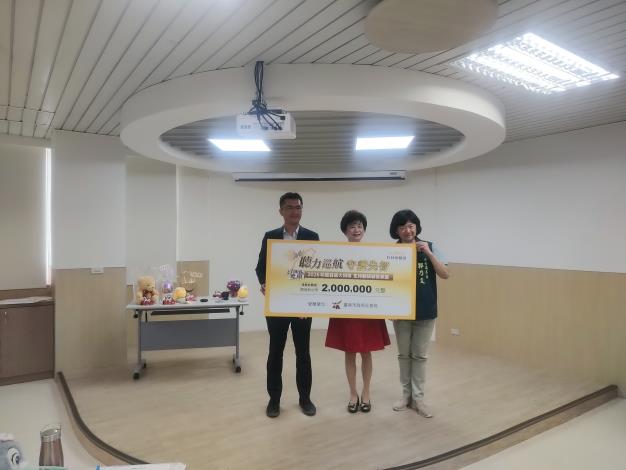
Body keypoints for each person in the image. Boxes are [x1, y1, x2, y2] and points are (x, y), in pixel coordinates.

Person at [255, 192, 319, 418]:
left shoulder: (312, 237)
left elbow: (317, 269)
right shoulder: (270, 236)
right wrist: (264, 283)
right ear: (281, 211)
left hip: (302, 306)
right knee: (275, 352)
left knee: (303, 353)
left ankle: (305, 399)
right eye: (290, 207)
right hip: (278, 304)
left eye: (298, 207)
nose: (295, 212)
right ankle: (274, 400)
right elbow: (260, 267)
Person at [325, 210, 390, 413]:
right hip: (346, 308)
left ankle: (366, 392)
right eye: (352, 226)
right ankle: (353, 393)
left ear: (364, 229)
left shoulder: (374, 253)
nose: (356, 230)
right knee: (350, 351)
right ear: (345, 231)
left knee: (366, 351)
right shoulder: (336, 254)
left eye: (360, 226)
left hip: (367, 308)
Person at [389, 209, 449, 418]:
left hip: (426, 311)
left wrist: (429, 253)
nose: (408, 230)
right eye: (403, 227)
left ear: (416, 227)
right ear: (396, 231)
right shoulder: (392, 251)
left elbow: (445, 274)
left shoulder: (430, 246)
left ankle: (419, 399)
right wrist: (389, 307)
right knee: (404, 355)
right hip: (401, 313)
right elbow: (387, 282)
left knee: (420, 356)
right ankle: (406, 396)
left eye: (411, 226)